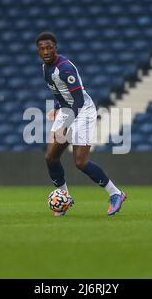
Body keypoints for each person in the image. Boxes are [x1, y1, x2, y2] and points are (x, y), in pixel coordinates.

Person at [36, 31, 127, 216]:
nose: (45, 51)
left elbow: (78, 100)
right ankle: (64, 198)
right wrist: (57, 107)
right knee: (50, 157)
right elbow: (59, 91)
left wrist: (65, 124)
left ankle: (116, 193)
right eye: (42, 48)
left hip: (83, 111)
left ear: (56, 48)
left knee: (80, 162)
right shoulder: (45, 69)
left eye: (49, 47)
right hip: (66, 109)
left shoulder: (65, 68)